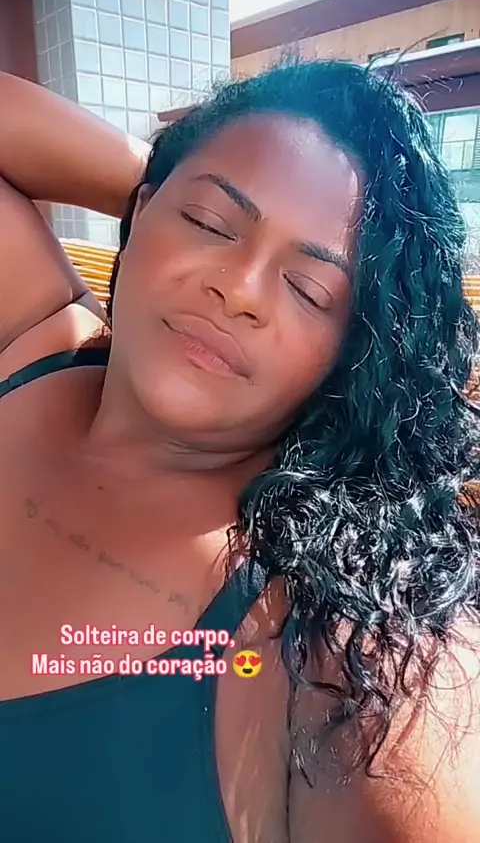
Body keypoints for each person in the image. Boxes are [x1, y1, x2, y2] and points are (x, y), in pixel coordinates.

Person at [0, 57, 478, 843]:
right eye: (209, 223)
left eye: (311, 289)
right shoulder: (33, 342)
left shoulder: (337, 646)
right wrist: (171, 168)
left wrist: (199, 191)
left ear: (350, 354)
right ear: (141, 212)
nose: (242, 289)